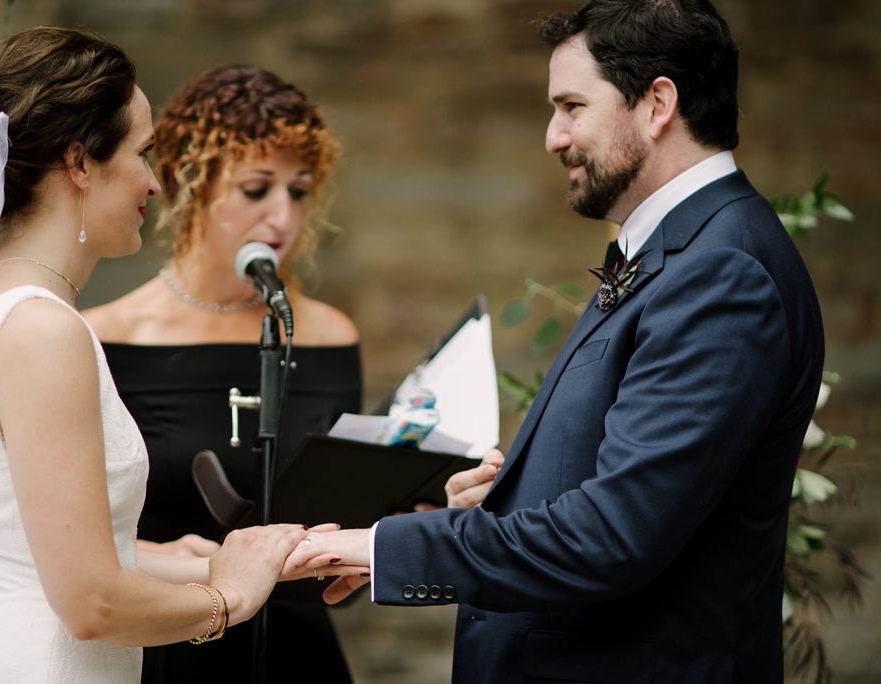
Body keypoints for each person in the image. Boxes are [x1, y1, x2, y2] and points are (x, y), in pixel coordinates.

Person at [286, 1, 825, 682]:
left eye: (572, 106)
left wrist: (385, 548)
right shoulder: (680, 252)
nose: (552, 136)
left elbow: (614, 534)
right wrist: (506, 498)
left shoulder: (721, 272)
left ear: (658, 104)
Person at [0, 28, 360, 684]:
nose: (154, 181)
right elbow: (91, 603)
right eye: (143, 152)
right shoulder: (43, 331)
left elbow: (31, 543)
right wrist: (230, 598)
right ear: (79, 163)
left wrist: (224, 558)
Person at [83, 65, 359, 683]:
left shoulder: (328, 333)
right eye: (258, 189)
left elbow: (340, 505)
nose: (283, 217)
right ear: (187, 180)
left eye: (300, 190)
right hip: (161, 646)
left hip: (298, 651)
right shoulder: (101, 336)